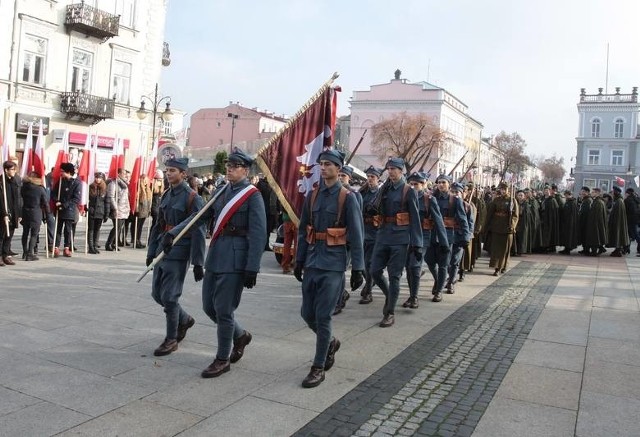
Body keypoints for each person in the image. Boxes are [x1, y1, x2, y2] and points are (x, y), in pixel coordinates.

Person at [166, 150, 266, 378]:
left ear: (246, 170)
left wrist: (253, 266)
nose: (230, 168)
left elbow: (259, 234)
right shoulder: (221, 191)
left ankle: (222, 359)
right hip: (216, 255)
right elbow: (198, 216)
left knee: (223, 310)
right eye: (229, 164)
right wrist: (174, 233)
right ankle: (240, 335)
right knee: (209, 307)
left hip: (235, 259)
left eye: (236, 165)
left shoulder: (253, 196)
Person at [294, 149, 364, 387]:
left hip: (334, 264)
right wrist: (299, 260)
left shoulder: (348, 198)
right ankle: (330, 343)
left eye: (327, 164)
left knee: (323, 316)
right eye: (321, 164)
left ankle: (318, 366)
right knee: (307, 314)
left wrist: (358, 268)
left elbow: (356, 234)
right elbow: (304, 231)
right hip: (313, 261)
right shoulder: (312, 197)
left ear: (339, 169)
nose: (322, 168)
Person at [146, 157, 206, 357]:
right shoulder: (166, 195)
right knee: (157, 295)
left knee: (170, 297)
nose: (169, 173)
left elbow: (198, 230)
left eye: (173, 170)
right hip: (161, 251)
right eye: (167, 170)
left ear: (184, 174)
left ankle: (171, 339)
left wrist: (198, 262)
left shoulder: (192, 198)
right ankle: (185, 319)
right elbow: (158, 225)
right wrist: (150, 251)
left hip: (179, 252)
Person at [370, 157, 422, 324]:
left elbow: (415, 219)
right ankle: (389, 295)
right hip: (383, 234)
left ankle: (389, 312)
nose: (390, 171)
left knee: (394, 276)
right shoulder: (384, 189)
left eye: (393, 168)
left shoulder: (409, 191)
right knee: (374, 271)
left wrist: (417, 243)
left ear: (401, 171)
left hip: (400, 238)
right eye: (389, 168)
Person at [403, 172, 447, 309]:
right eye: (411, 184)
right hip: (406, 236)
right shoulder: (405, 197)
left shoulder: (429, 199)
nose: (413, 186)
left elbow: (439, 221)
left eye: (416, 184)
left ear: (423, 185)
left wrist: (444, 242)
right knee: (408, 267)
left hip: (423, 237)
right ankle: (411, 295)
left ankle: (414, 297)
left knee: (415, 266)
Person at [426, 174, 468, 302]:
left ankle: (438, 291)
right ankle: (438, 280)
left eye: (444, 182)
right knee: (430, 261)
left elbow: (462, 219)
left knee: (443, 265)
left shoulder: (455, 200)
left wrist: (465, 236)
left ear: (449, 184)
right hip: (432, 235)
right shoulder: (430, 198)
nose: (441, 184)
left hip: (447, 236)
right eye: (439, 182)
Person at [333, 165, 363, 315]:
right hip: (334, 238)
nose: (340, 178)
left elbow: (357, 220)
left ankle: (338, 301)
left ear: (349, 178)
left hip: (347, 240)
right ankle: (340, 295)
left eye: (344, 176)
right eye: (339, 175)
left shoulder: (353, 195)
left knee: (341, 270)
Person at [359, 165, 383, 304]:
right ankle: (370, 282)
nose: (369, 179)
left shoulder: (381, 193)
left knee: (369, 264)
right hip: (362, 230)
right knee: (361, 264)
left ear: (378, 179)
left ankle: (368, 292)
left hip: (375, 232)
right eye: (368, 177)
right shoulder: (362, 192)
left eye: (372, 177)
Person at [484, 182, 519, 276]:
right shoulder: (496, 200)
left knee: (504, 250)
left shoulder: (512, 200)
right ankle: (496, 267)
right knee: (495, 249)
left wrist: (512, 225)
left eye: (505, 189)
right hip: (496, 227)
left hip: (507, 228)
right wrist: (487, 225)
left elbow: (515, 216)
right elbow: (490, 214)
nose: (503, 191)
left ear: (508, 190)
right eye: (502, 189)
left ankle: (502, 267)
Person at [447, 181, 474, 292]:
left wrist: (467, 237)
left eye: (457, 192)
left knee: (455, 261)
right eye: (452, 191)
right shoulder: (447, 204)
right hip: (447, 235)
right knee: (446, 261)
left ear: (463, 193)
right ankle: (449, 277)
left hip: (459, 236)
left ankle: (451, 282)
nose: (455, 194)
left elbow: (470, 223)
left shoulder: (467, 207)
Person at [52, 163, 81, 257]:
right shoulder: (60, 181)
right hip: (59, 209)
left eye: (62, 171)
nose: (60, 173)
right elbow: (54, 193)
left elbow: (76, 198)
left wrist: (64, 204)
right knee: (58, 229)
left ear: (68, 172)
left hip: (69, 210)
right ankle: (56, 247)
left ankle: (66, 247)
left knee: (68, 230)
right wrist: (56, 200)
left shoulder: (76, 183)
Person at [20, 171, 49, 261]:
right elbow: (45, 202)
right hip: (35, 212)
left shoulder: (23, 187)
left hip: (25, 211)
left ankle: (25, 252)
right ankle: (30, 254)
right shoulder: (39, 188)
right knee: (34, 234)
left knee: (25, 232)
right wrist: (48, 213)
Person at [0, 161, 22, 266]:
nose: (14, 171)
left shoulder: (14, 181)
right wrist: (4, 214)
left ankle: (5, 255)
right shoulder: (1, 182)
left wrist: (19, 214)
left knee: (9, 236)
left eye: (15, 169)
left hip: (13, 213)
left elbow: (17, 198)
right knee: (1, 235)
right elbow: (0, 200)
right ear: (6, 170)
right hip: (3, 213)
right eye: (12, 169)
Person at [105, 168, 130, 251]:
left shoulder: (124, 183)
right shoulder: (113, 183)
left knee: (119, 227)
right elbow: (111, 197)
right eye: (123, 173)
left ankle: (113, 243)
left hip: (124, 208)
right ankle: (108, 243)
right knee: (116, 227)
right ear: (118, 174)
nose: (125, 175)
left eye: (125, 173)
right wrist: (115, 208)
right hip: (117, 208)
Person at [87, 172, 110, 254]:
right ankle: (91, 247)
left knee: (97, 230)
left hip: (100, 212)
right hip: (92, 211)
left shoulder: (104, 188)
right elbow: (87, 199)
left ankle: (95, 245)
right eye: (96, 177)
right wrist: (87, 208)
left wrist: (107, 214)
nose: (98, 179)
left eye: (99, 178)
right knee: (91, 229)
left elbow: (107, 202)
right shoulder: (91, 187)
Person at [584, 188, 607, 256]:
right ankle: (599, 249)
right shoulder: (597, 201)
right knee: (595, 237)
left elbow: (597, 215)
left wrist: (593, 224)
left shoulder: (598, 202)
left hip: (595, 224)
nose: (591, 193)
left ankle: (594, 252)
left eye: (593, 192)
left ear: (597, 193)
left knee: (595, 238)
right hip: (595, 223)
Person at [607, 186, 629, 257]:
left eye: (613, 192)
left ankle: (618, 249)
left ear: (616, 192)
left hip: (618, 223)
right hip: (617, 222)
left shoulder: (619, 201)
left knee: (618, 235)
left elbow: (617, 214)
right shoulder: (618, 200)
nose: (612, 194)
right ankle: (618, 249)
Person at [132, 174, 152, 249]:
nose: (146, 181)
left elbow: (149, 200)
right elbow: (136, 199)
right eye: (144, 180)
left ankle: (138, 240)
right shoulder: (139, 188)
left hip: (145, 210)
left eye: (147, 180)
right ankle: (135, 240)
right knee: (137, 226)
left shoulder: (148, 189)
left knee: (140, 227)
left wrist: (149, 209)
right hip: (140, 210)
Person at [559, 190, 579, 255]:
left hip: (569, 223)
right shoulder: (568, 202)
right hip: (566, 222)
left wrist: (570, 222)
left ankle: (567, 249)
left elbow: (572, 214)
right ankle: (566, 248)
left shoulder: (572, 203)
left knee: (569, 236)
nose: (566, 196)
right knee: (566, 236)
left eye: (567, 195)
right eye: (565, 195)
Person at [623, 188, 639, 254]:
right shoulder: (635, 199)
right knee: (630, 235)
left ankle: (627, 249)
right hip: (634, 220)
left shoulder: (628, 200)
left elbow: (630, 211)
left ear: (627, 193)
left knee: (635, 235)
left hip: (630, 220)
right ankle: (627, 249)